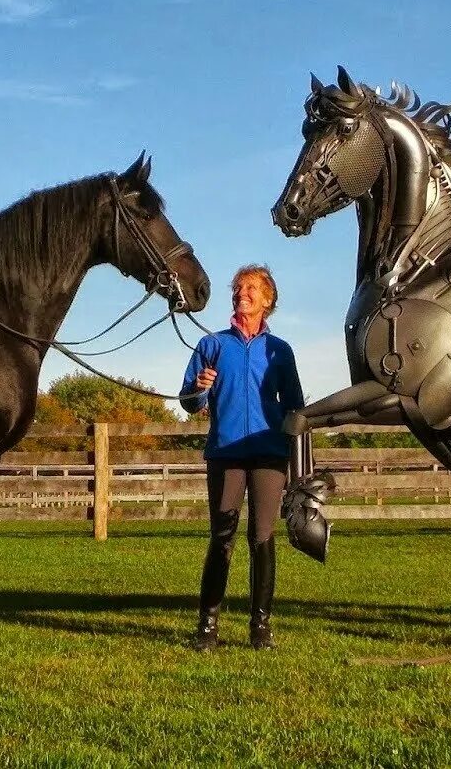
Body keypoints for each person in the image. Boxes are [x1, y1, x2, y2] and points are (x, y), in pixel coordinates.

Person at [180, 264, 305, 650]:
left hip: (269, 455)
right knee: (222, 537)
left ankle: (260, 628)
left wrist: (298, 465)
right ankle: (207, 628)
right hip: (226, 454)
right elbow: (188, 401)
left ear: (267, 301)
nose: (241, 293)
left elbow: (296, 408)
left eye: (250, 288)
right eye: (237, 288)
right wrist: (200, 390)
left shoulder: (279, 351)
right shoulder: (212, 345)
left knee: (262, 537)